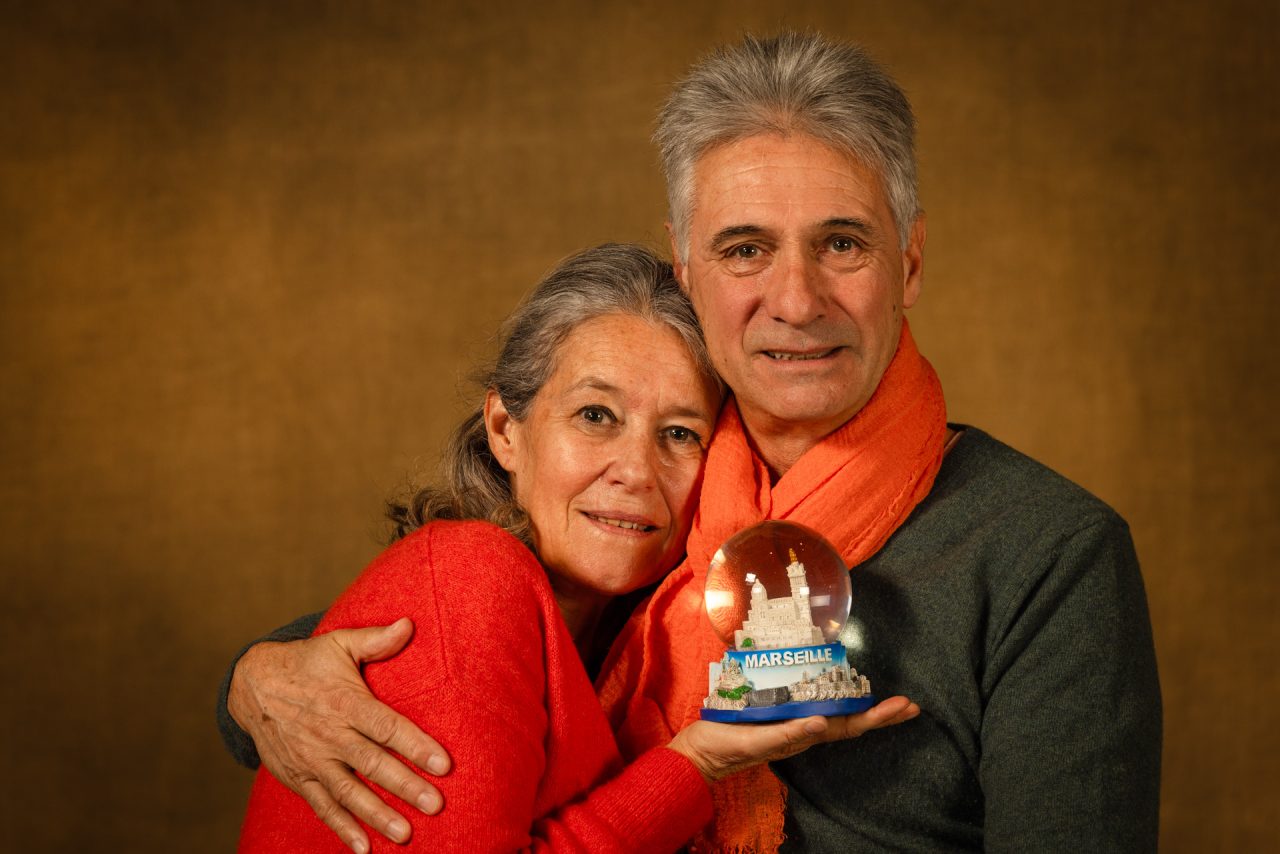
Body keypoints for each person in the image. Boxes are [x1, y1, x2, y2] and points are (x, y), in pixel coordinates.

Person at [221, 33, 1162, 852]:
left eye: (842, 243)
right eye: (745, 249)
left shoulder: (1049, 554)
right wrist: (255, 675)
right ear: (686, 268)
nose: (796, 301)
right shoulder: (652, 513)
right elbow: (442, 639)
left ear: (909, 262)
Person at [234, 243, 919, 852]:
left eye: (680, 433)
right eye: (596, 416)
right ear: (505, 429)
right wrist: (692, 769)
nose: (637, 471)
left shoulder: (639, 637)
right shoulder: (470, 576)